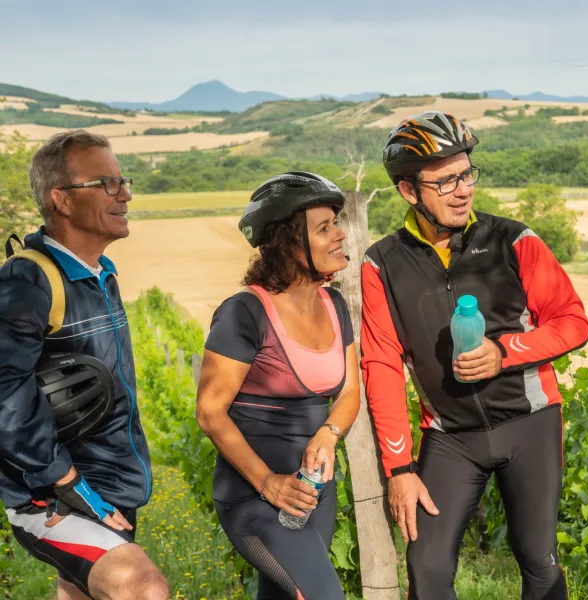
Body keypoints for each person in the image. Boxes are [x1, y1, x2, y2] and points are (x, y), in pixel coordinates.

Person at [360, 111, 588, 600]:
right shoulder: (382, 264)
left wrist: (505, 352)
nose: (462, 189)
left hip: (529, 422)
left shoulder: (513, 239)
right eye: (445, 181)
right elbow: (381, 363)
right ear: (408, 191)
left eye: (466, 174)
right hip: (450, 439)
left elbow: (573, 322)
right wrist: (399, 469)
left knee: (538, 558)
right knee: (427, 566)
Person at [0, 131, 168, 599]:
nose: (126, 194)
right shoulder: (28, 279)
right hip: (55, 493)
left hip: (113, 485)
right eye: (108, 183)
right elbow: (3, 393)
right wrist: (65, 481)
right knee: (141, 585)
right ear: (63, 200)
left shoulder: (100, 273)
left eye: (123, 181)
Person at [196, 172, 361, 600]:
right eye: (324, 228)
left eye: (336, 223)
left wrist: (329, 432)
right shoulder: (244, 313)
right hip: (256, 497)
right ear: (288, 242)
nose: (340, 234)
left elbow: (349, 392)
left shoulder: (335, 304)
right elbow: (210, 413)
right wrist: (268, 482)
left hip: (314, 493)